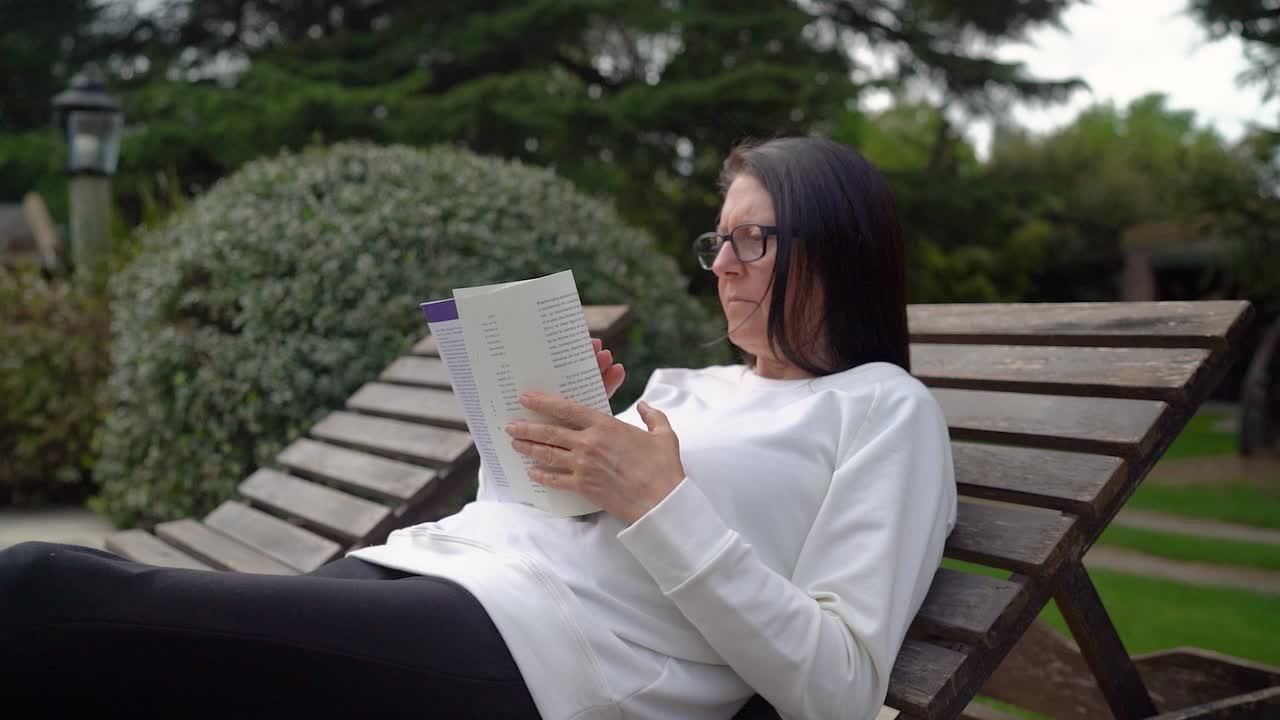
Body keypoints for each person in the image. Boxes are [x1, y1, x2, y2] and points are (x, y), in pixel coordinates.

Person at [0, 136, 956, 720]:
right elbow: (548, 525)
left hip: (539, 662)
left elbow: (837, 688)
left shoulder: (881, 410)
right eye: (719, 241)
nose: (725, 265)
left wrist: (655, 495)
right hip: (435, 576)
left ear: (839, 244)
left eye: (756, 238)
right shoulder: (694, 383)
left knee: (45, 592)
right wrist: (541, 447)